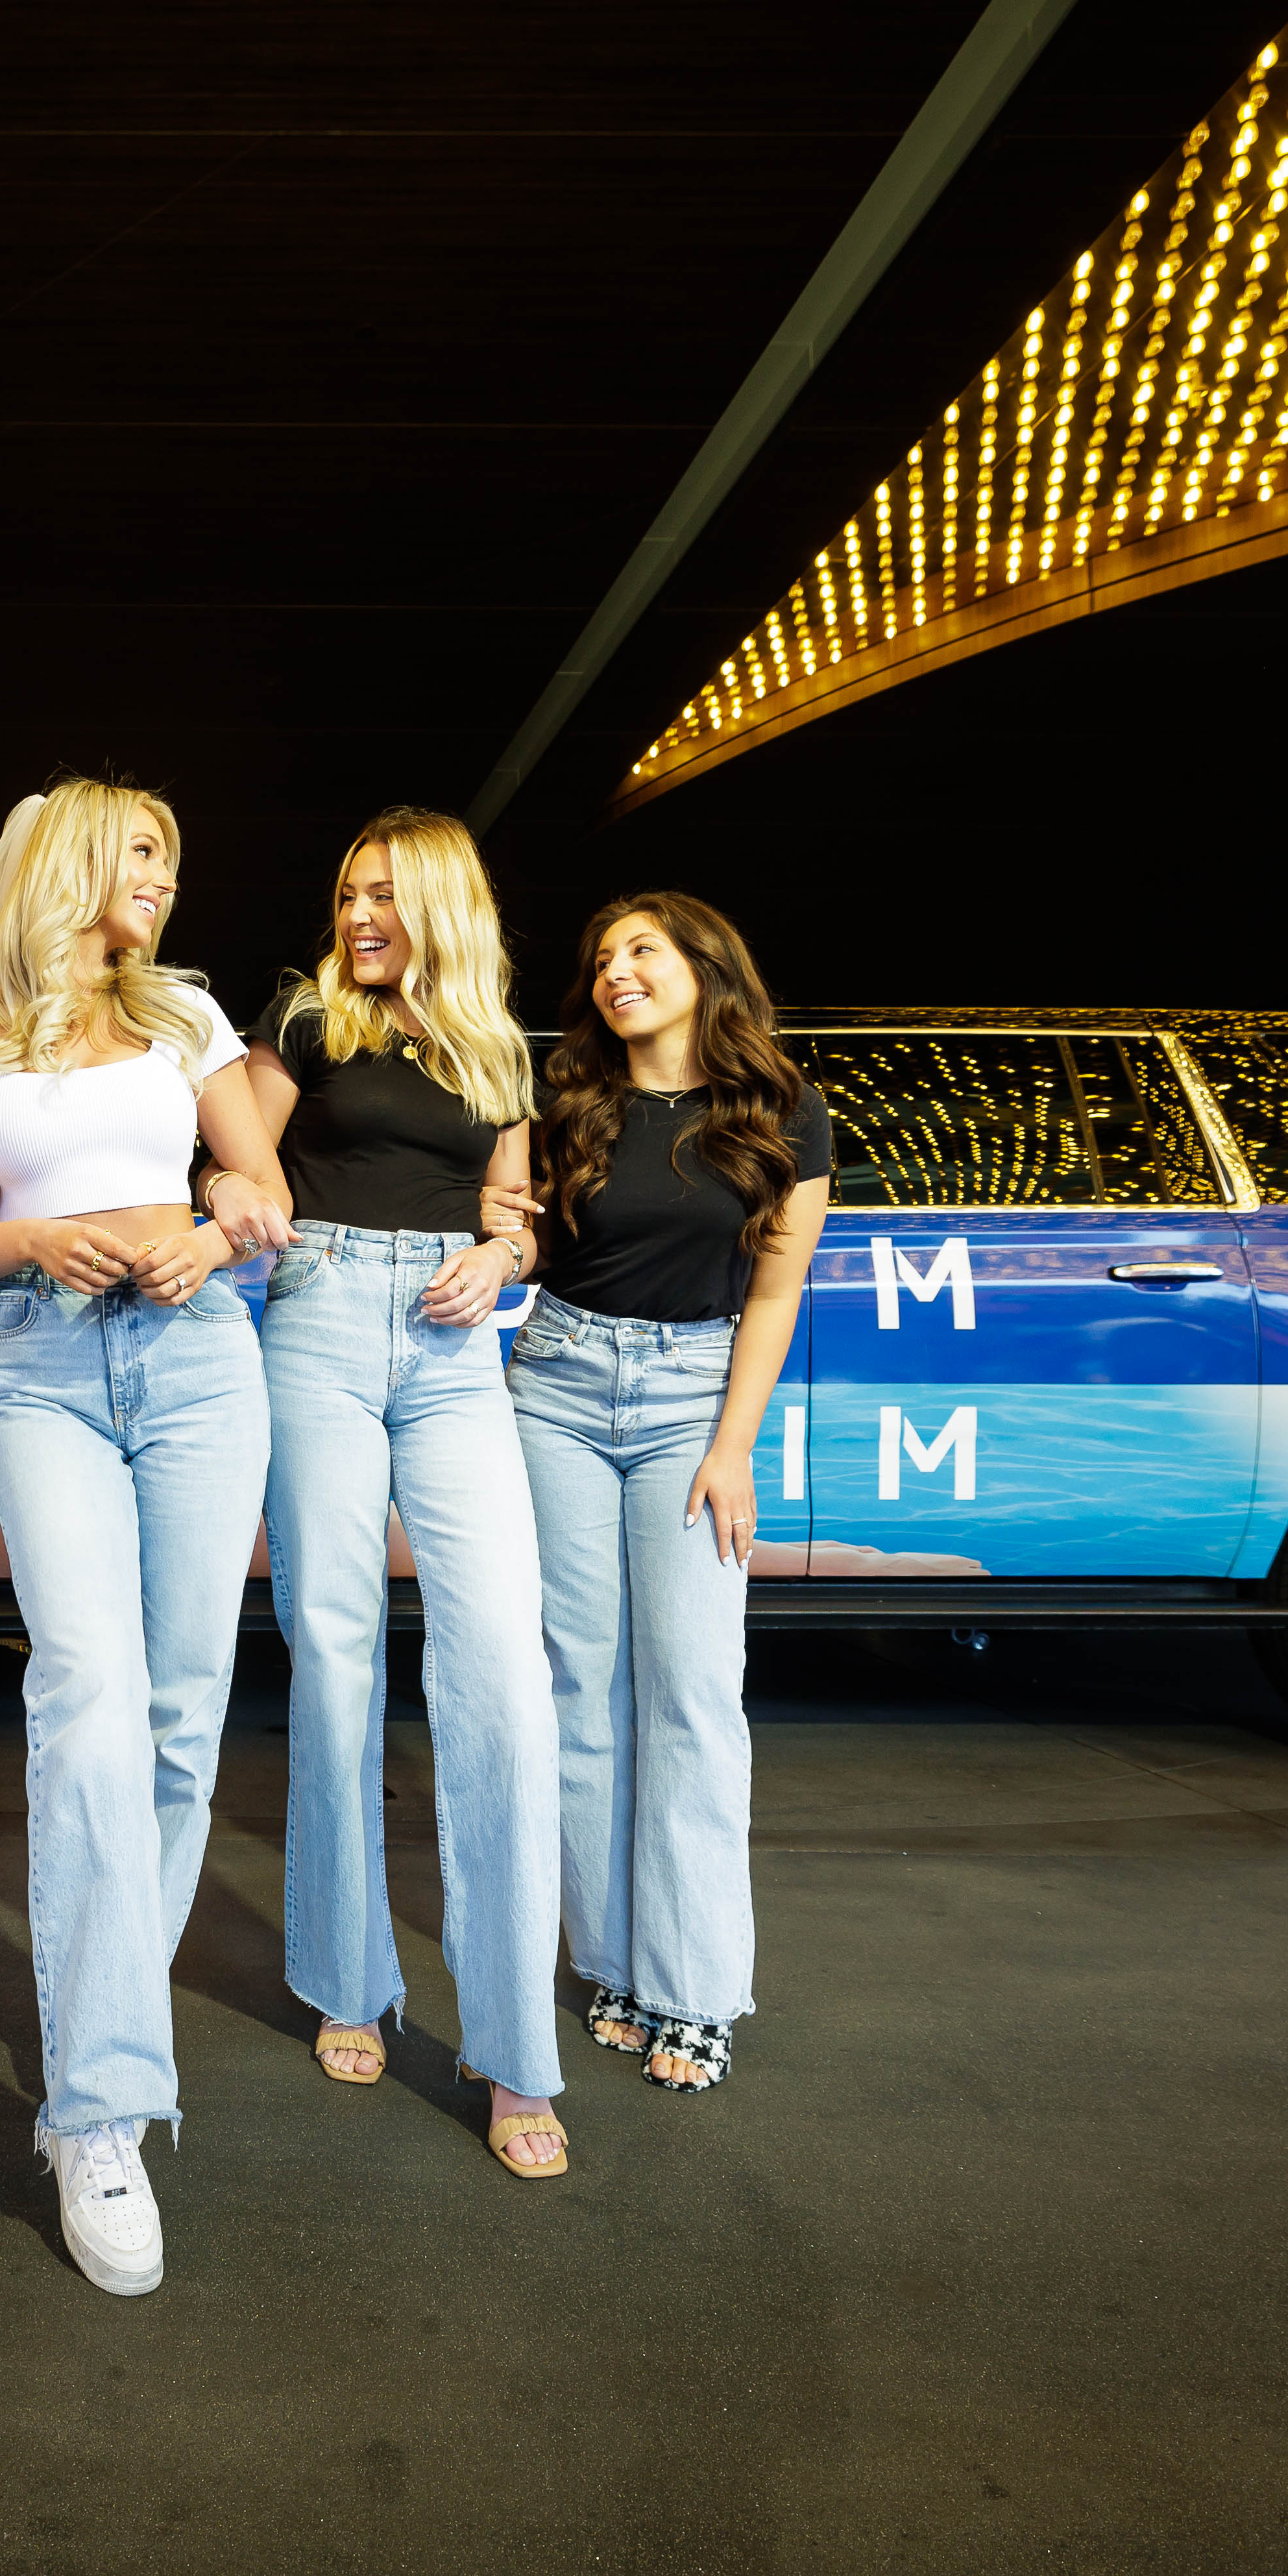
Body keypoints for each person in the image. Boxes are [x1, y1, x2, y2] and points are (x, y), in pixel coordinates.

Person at [0, 779, 294, 2296]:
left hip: (200, 1358)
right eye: (141, 851)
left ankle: (106, 2013)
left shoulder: (191, 1017)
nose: (162, 881)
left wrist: (210, 1227)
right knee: (82, 1697)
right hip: (49, 1358)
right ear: (64, 860)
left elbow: (261, 1188)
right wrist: (25, 1239)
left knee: (184, 1716)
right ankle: (101, 2106)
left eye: (172, 861)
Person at [242, 809, 568, 2180]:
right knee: (335, 1647)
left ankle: (512, 2047)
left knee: (500, 1662)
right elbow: (243, 1159)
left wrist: (501, 1259)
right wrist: (230, 1201)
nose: (360, 910)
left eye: (383, 890)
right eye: (347, 889)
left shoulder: (496, 1046)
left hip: (450, 1348)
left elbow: (517, 1208)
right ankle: (349, 1975)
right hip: (315, 1315)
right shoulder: (308, 1018)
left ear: (439, 898)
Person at [498, 892, 829, 2095]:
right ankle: (618, 1967)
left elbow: (776, 1292)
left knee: (692, 1695)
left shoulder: (783, 1113)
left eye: (643, 950)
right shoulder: (568, 1103)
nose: (615, 972)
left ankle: (696, 1988)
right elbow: (520, 1235)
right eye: (601, 959)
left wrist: (733, 1445)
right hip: (559, 1389)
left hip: (696, 1399)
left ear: (705, 966)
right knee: (580, 1689)